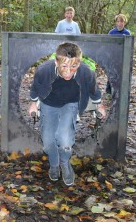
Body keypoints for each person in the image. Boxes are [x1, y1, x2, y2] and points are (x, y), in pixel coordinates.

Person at [28, 42, 106, 186]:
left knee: (64, 139)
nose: (68, 71)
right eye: (64, 66)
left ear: (79, 62)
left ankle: (64, 163)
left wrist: (99, 106)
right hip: (49, 102)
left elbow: (94, 91)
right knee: (48, 141)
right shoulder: (43, 70)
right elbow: (35, 87)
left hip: (71, 103)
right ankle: (54, 164)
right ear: (56, 61)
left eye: (73, 66)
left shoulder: (86, 72)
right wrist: (33, 104)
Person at [107, 14, 131, 94]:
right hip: (113, 57)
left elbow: (129, 47)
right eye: (118, 21)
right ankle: (109, 92)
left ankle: (120, 91)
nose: (120, 23)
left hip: (122, 57)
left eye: (121, 21)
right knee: (111, 74)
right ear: (116, 23)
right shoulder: (111, 32)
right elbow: (108, 46)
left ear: (124, 23)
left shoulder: (127, 33)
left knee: (121, 75)